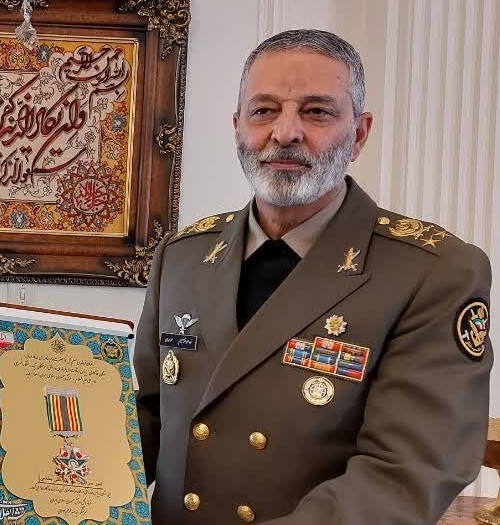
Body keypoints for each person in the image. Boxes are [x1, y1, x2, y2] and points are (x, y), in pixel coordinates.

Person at [134, 29, 493, 524]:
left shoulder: (433, 273)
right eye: (264, 110)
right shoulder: (182, 256)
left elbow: (404, 474)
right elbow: (144, 419)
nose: (285, 132)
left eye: (316, 111)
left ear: (359, 134)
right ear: (237, 127)